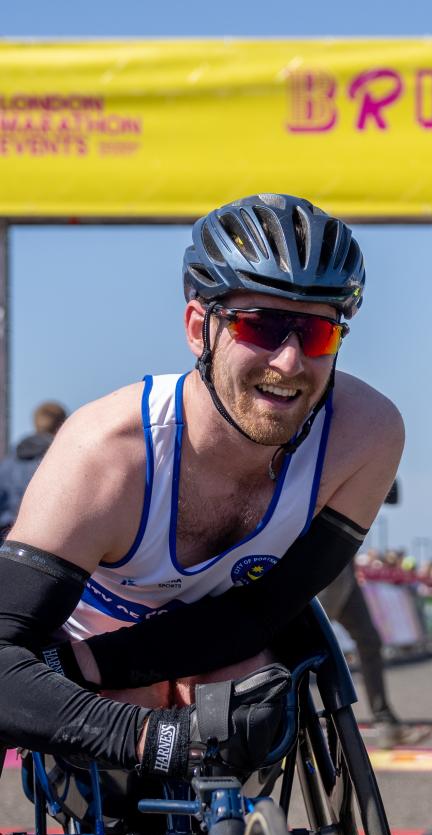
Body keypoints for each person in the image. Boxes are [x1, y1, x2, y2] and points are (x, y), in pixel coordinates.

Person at [0, 194, 405, 784]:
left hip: (223, 641)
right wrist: (141, 733)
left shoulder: (366, 434)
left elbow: (266, 611)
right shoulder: (107, 451)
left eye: (317, 334)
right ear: (199, 328)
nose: (289, 361)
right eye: (260, 327)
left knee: (246, 682)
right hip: (88, 652)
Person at [320, 479, 431, 748]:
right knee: (309, 649)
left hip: (342, 566)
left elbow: (392, 493)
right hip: (319, 562)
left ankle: (385, 721)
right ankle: (287, 720)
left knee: (368, 640)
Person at [0, 400, 68, 539]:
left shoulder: (9, 461)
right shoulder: (61, 458)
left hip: (6, 538)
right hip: (43, 540)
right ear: (62, 424)